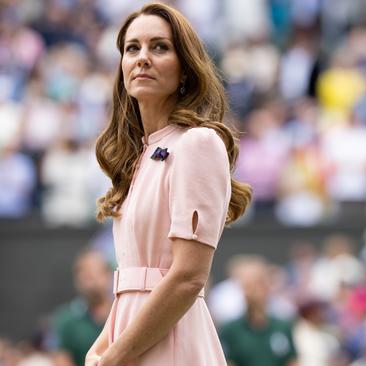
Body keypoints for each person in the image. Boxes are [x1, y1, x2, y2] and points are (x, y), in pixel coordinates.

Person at [85, 2, 252, 365]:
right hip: (131, 339)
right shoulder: (137, 158)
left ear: (185, 70)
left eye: (159, 47)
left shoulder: (197, 142)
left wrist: (116, 356)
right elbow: (133, 283)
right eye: (133, 48)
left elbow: (188, 277)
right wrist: (102, 346)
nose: (142, 57)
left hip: (171, 343)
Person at [219, 256, 298, 366]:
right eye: (248, 285)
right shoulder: (230, 329)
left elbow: (292, 361)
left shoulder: (283, 326)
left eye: (259, 283)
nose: (254, 291)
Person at [52, 249, 113, 366]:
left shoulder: (122, 313)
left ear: (108, 275)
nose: (90, 281)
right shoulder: (67, 319)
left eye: (95, 273)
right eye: (85, 275)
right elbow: (61, 359)